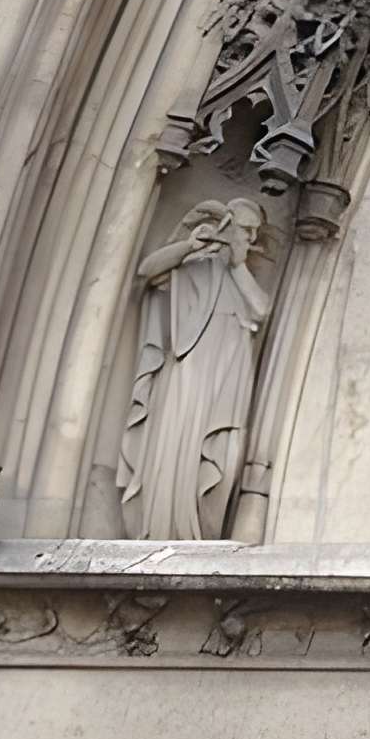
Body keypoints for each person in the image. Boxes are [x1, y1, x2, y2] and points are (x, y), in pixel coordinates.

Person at [117, 197, 274, 538]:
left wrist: (237, 265)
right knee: (176, 448)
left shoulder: (240, 277)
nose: (250, 237)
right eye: (245, 229)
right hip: (188, 377)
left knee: (219, 455)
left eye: (254, 232)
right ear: (226, 225)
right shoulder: (194, 266)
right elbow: (146, 271)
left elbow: (262, 310)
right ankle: (163, 530)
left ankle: (201, 532)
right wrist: (189, 245)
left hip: (227, 381)